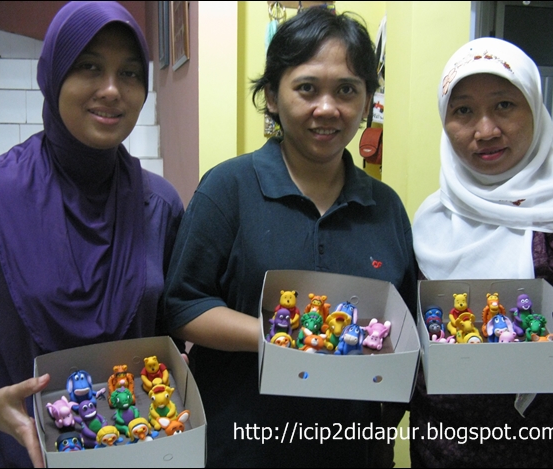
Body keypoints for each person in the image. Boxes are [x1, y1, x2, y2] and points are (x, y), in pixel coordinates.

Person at [161, 8, 417, 468]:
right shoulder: (229, 188)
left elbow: (405, 329)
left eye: (347, 90)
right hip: (241, 446)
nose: (327, 108)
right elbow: (183, 306)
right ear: (273, 97)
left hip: (352, 450)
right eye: (307, 88)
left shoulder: (386, 207)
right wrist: (282, 337)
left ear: (366, 102)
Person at [0, 2, 184, 467]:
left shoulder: (160, 206)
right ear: (53, 75)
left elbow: (166, 333)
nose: (112, 90)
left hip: (134, 448)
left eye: (130, 73)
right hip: (17, 453)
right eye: (89, 67)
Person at [411, 37, 553, 467]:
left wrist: (543, 352)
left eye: (505, 105)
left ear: (535, 108)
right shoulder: (432, 219)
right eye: (463, 111)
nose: (486, 130)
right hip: (435, 449)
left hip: (537, 450)